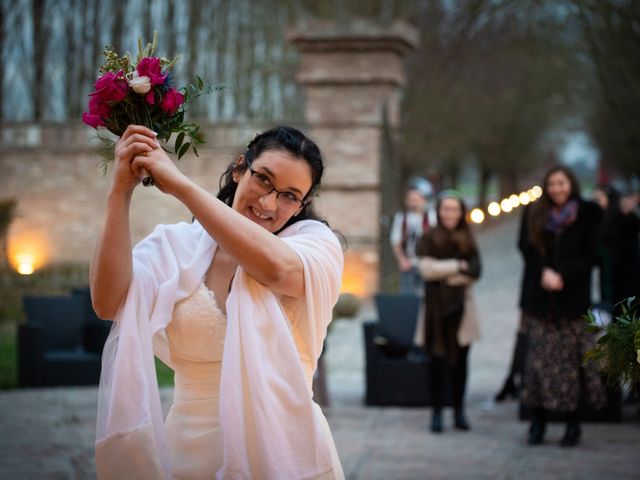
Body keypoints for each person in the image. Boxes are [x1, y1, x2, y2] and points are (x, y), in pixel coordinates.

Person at [90, 125, 345, 479]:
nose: (269, 203)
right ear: (240, 169)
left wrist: (179, 185)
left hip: (286, 451)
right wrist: (119, 190)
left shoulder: (315, 247)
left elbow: (275, 269)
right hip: (188, 453)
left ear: (304, 204)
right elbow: (107, 303)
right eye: (264, 180)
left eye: (290, 195)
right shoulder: (175, 247)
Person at [518, 165, 606, 448]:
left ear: (571, 184)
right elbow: (526, 247)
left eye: (562, 183)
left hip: (571, 301)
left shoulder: (588, 214)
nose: (557, 189)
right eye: (552, 184)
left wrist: (564, 275)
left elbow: (594, 254)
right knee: (537, 366)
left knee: (571, 367)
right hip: (540, 301)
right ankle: (538, 422)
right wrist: (544, 271)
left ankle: (572, 424)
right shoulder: (534, 212)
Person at [415, 190, 481, 433]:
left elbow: (475, 271)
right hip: (434, 310)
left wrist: (446, 275)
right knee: (436, 362)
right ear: (439, 211)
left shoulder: (468, 238)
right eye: (446, 209)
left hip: (462, 310)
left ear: (461, 212)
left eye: (454, 209)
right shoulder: (428, 238)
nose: (450, 213)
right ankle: (436, 413)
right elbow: (426, 270)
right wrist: (457, 266)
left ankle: (459, 411)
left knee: (460, 363)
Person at [390, 184, 431, 295]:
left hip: (426, 263)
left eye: (417, 199)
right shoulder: (401, 218)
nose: (414, 203)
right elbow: (396, 241)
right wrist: (402, 260)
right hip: (409, 263)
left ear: (423, 200)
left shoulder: (431, 217)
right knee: (407, 296)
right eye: (411, 200)